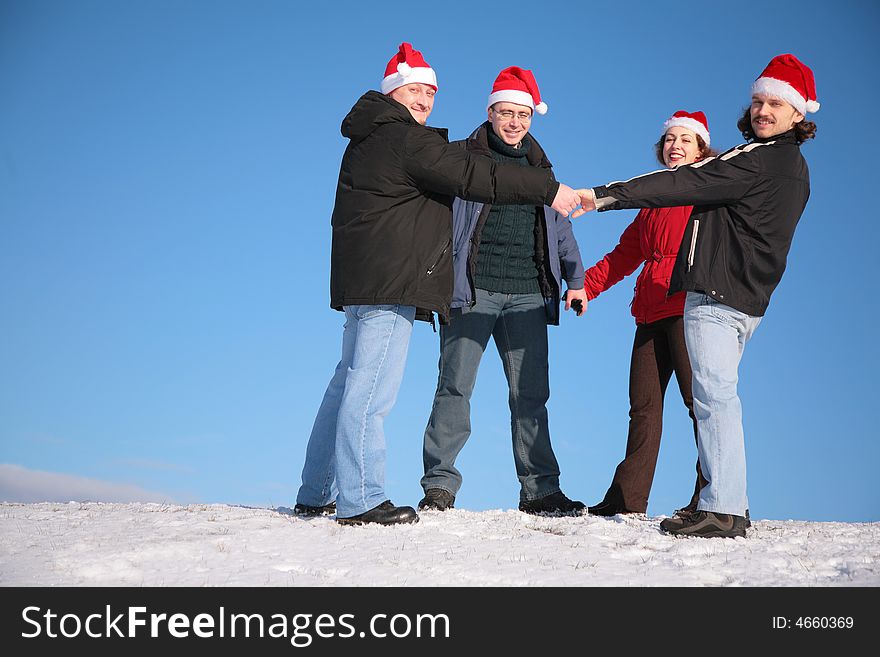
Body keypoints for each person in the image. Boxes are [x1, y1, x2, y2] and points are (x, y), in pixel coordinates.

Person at [294, 44, 585, 526]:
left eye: (430, 91)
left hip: (372, 276)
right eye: (415, 89)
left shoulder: (372, 136)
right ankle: (363, 498)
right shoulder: (410, 141)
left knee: (346, 382)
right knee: (371, 390)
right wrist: (550, 190)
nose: (424, 99)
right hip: (397, 281)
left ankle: (315, 490)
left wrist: (571, 272)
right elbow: (475, 176)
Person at [574, 54, 818, 537]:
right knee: (706, 399)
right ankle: (718, 501)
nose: (763, 111)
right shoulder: (793, 168)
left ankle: (723, 507)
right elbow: (628, 253)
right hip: (742, 297)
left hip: (712, 295)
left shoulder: (751, 160)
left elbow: (683, 182)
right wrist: (591, 285)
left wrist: (600, 195)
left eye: (775, 103)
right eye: (758, 102)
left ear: (798, 113)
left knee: (710, 400)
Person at [418, 67, 588, 516]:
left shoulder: (541, 169)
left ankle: (540, 491)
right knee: (454, 387)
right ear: (490, 112)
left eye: (522, 115)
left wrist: (575, 281)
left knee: (531, 394)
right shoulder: (459, 159)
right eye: (506, 113)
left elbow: (561, 228)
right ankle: (439, 486)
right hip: (471, 290)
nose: (514, 122)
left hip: (528, 293)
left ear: (531, 118)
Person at [584, 111, 715, 518]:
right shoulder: (651, 205)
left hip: (688, 307)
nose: (675, 145)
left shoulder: (707, 193)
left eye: (685, 140)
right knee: (643, 408)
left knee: (701, 405)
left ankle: (710, 497)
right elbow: (623, 256)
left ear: (701, 150)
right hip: (650, 311)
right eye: (670, 139)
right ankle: (626, 499)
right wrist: (584, 287)